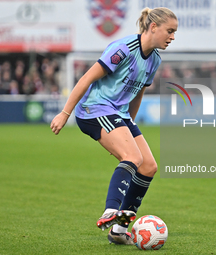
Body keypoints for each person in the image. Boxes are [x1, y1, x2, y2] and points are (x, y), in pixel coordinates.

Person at [50, 7, 178, 245]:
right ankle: (111, 211)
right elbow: (87, 78)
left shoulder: (155, 60)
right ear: (153, 27)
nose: (172, 37)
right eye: (169, 31)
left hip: (118, 114)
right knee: (132, 156)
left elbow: (138, 91)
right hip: (94, 109)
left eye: (174, 33)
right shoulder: (123, 49)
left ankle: (119, 230)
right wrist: (64, 113)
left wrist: (130, 122)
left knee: (148, 166)